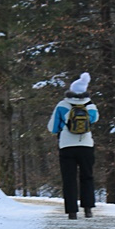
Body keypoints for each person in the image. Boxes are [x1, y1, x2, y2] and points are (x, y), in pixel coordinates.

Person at [47, 72, 99, 219]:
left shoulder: (62, 105)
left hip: (67, 146)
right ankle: (88, 209)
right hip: (86, 145)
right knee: (87, 176)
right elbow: (94, 120)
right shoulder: (91, 106)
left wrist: (63, 127)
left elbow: (52, 127)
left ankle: (72, 212)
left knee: (69, 178)